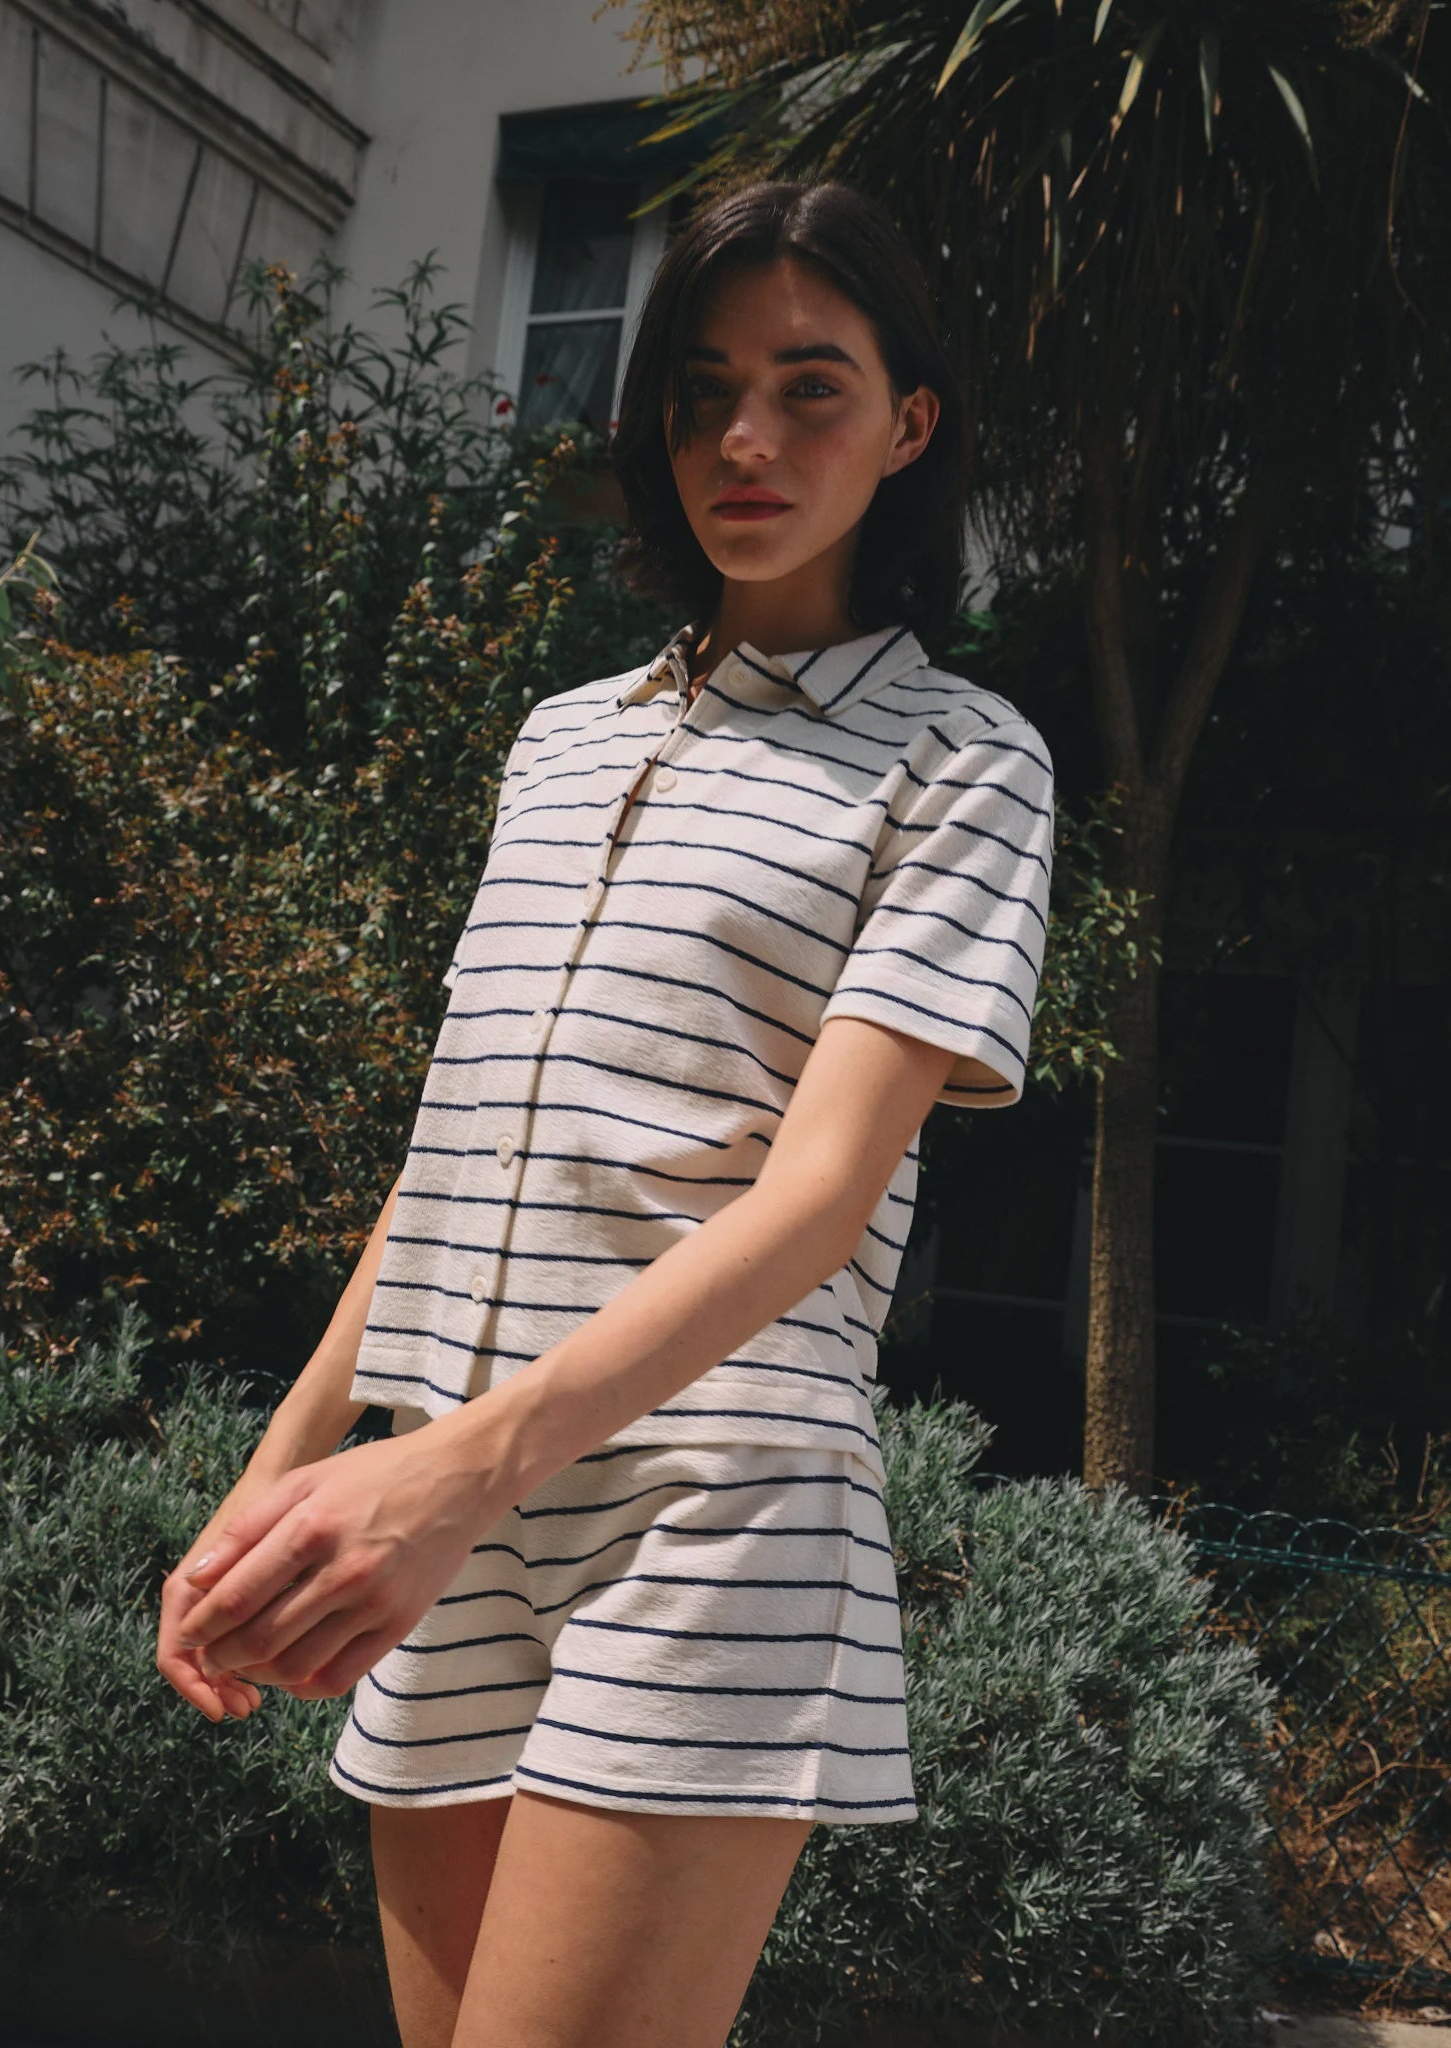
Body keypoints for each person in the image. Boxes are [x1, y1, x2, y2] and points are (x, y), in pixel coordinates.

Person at [156, 178, 1056, 2048]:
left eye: (813, 387)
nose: (746, 437)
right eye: (704, 387)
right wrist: (289, 1464)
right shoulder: (564, 739)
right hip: (446, 1484)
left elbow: (818, 1205)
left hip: (707, 1507)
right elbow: (461, 1147)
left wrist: (451, 1471)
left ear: (909, 429)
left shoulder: (966, 763)